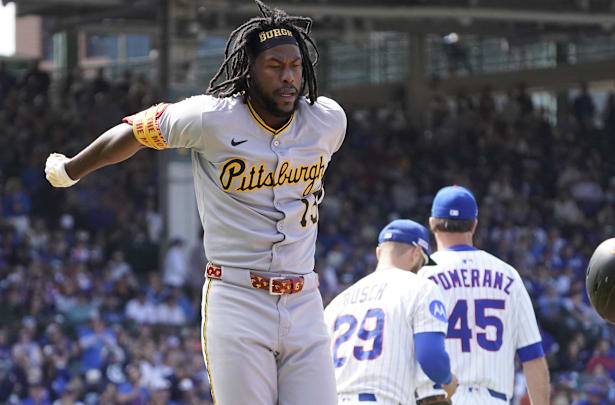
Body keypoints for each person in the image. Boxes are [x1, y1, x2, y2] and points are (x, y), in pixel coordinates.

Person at [44, 1, 347, 403]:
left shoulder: (328, 121)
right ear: (248, 73)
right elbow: (133, 132)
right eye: (275, 66)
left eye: (295, 65)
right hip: (239, 298)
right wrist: (71, 169)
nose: (289, 76)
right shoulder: (210, 118)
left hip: (305, 299)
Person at [416, 186, 550, 405]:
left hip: (438, 397)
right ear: (474, 224)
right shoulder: (509, 276)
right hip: (492, 398)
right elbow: (533, 357)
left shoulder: (421, 278)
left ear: (432, 223)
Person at [324, 219, 458, 405]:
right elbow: (431, 357)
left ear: (379, 253)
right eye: (423, 263)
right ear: (416, 253)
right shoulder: (421, 288)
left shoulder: (337, 303)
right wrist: (448, 380)